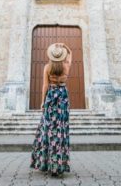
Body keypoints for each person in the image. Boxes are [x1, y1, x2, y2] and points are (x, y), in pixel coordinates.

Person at [30, 42, 72, 176]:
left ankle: (47, 163)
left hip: (51, 95)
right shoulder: (66, 66)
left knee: (48, 128)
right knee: (61, 128)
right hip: (63, 96)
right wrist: (65, 46)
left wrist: (43, 102)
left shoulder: (47, 67)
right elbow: (70, 54)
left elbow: (45, 86)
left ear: (51, 55)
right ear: (62, 56)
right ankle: (59, 164)